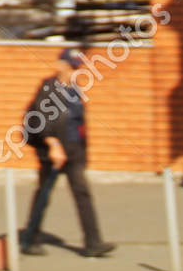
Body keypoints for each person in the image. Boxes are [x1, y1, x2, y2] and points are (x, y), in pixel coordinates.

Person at [19, 48, 115, 258]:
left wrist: (83, 151)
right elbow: (40, 117)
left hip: (73, 150)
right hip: (53, 152)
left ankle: (93, 243)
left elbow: (78, 121)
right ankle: (29, 240)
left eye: (77, 67)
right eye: (71, 66)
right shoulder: (48, 88)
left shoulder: (74, 90)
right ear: (60, 65)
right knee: (44, 194)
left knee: (82, 193)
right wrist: (53, 144)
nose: (74, 71)